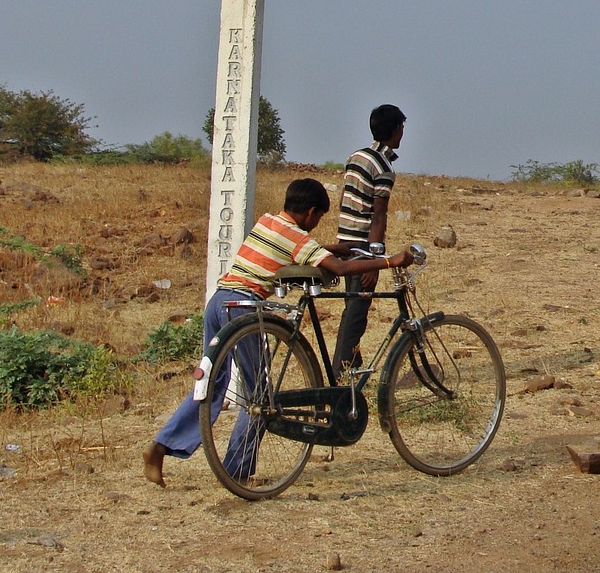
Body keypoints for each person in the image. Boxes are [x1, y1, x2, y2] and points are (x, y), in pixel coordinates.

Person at [142, 178, 417, 487]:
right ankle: (238, 470)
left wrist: (330, 248)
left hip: (219, 302)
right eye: (318, 219)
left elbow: (288, 248)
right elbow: (337, 270)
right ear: (311, 213)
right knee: (260, 394)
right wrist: (388, 261)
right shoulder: (299, 239)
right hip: (244, 308)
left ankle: (162, 444)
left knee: (212, 383)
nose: (315, 226)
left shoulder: (267, 221)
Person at [331, 104, 406, 379]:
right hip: (362, 247)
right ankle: (340, 373)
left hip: (344, 242)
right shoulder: (384, 168)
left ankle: (352, 367)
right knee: (356, 314)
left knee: (351, 309)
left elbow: (345, 199)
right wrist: (375, 261)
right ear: (396, 129)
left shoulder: (356, 157)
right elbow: (378, 217)